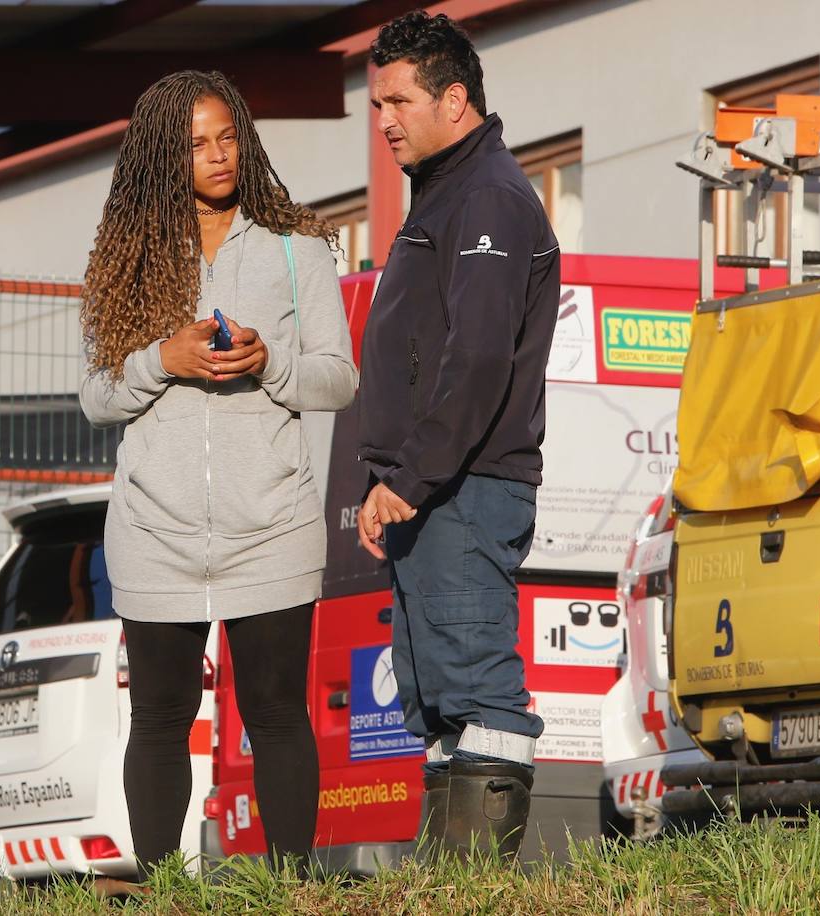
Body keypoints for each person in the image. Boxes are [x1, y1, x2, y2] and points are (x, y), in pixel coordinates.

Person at [78, 70, 356, 874]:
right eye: (197, 143)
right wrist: (160, 359)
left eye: (228, 136)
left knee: (275, 710)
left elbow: (338, 379)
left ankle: (292, 889)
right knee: (161, 715)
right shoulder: (126, 257)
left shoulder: (293, 246)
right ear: (165, 154)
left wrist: (270, 363)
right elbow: (96, 395)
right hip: (153, 529)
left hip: (272, 522)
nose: (218, 155)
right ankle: (164, 889)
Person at [355, 11, 560, 859]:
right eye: (376, 104)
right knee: (439, 700)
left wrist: (409, 477)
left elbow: (475, 361)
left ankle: (476, 893)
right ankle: (450, 887)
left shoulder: (487, 199)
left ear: (456, 99)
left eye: (398, 100)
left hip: (462, 488)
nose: (385, 121)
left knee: (478, 690)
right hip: (433, 489)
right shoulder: (445, 195)